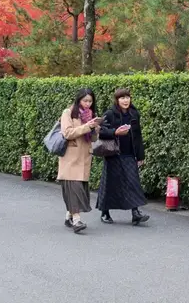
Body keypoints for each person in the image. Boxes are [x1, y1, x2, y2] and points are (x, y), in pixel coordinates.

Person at [96, 88, 149, 225]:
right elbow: (100, 132)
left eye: (127, 97)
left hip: (129, 153)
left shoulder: (134, 114)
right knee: (110, 183)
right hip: (113, 153)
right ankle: (105, 213)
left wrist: (140, 155)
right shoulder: (110, 114)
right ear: (117, 100)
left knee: (133, 182)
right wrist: (115, 132)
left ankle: (135, 213)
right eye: (122, 98)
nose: (126, 100)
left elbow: (138, 136)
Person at [59, 88, 101, 234]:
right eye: (85, 101)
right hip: (71, 157)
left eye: (90, 101)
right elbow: (67, 133)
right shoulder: (68, 112)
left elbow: (93, 139)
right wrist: (86, 126)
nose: (88, 104)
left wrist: (95, 129)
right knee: (73, 187)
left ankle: (69, 216)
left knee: (79, 189)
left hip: (84, 157)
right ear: (78, 100)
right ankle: (77, 220)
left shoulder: (91, 115)